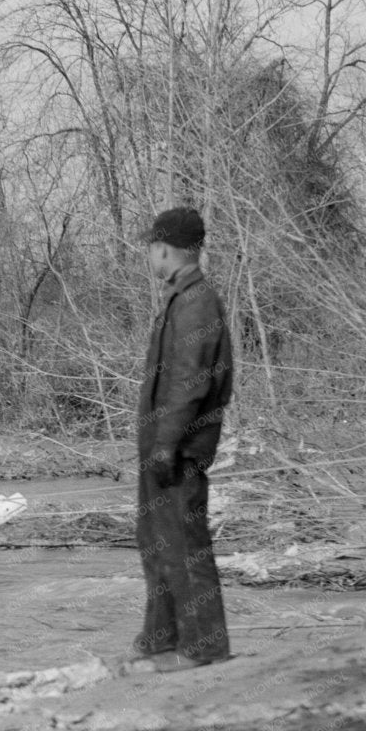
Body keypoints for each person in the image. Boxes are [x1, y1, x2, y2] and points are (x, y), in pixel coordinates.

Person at [127, 206, 235, 672]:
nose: (149, 255)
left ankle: (205, 646)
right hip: (164, 445)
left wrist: (167, 445)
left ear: (163, 248)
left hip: (179, 448)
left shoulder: (197, 302)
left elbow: (190, 382)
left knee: (184, 545)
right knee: (158, 540)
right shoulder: (181, 298)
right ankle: (161, 641)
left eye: (151, 247)